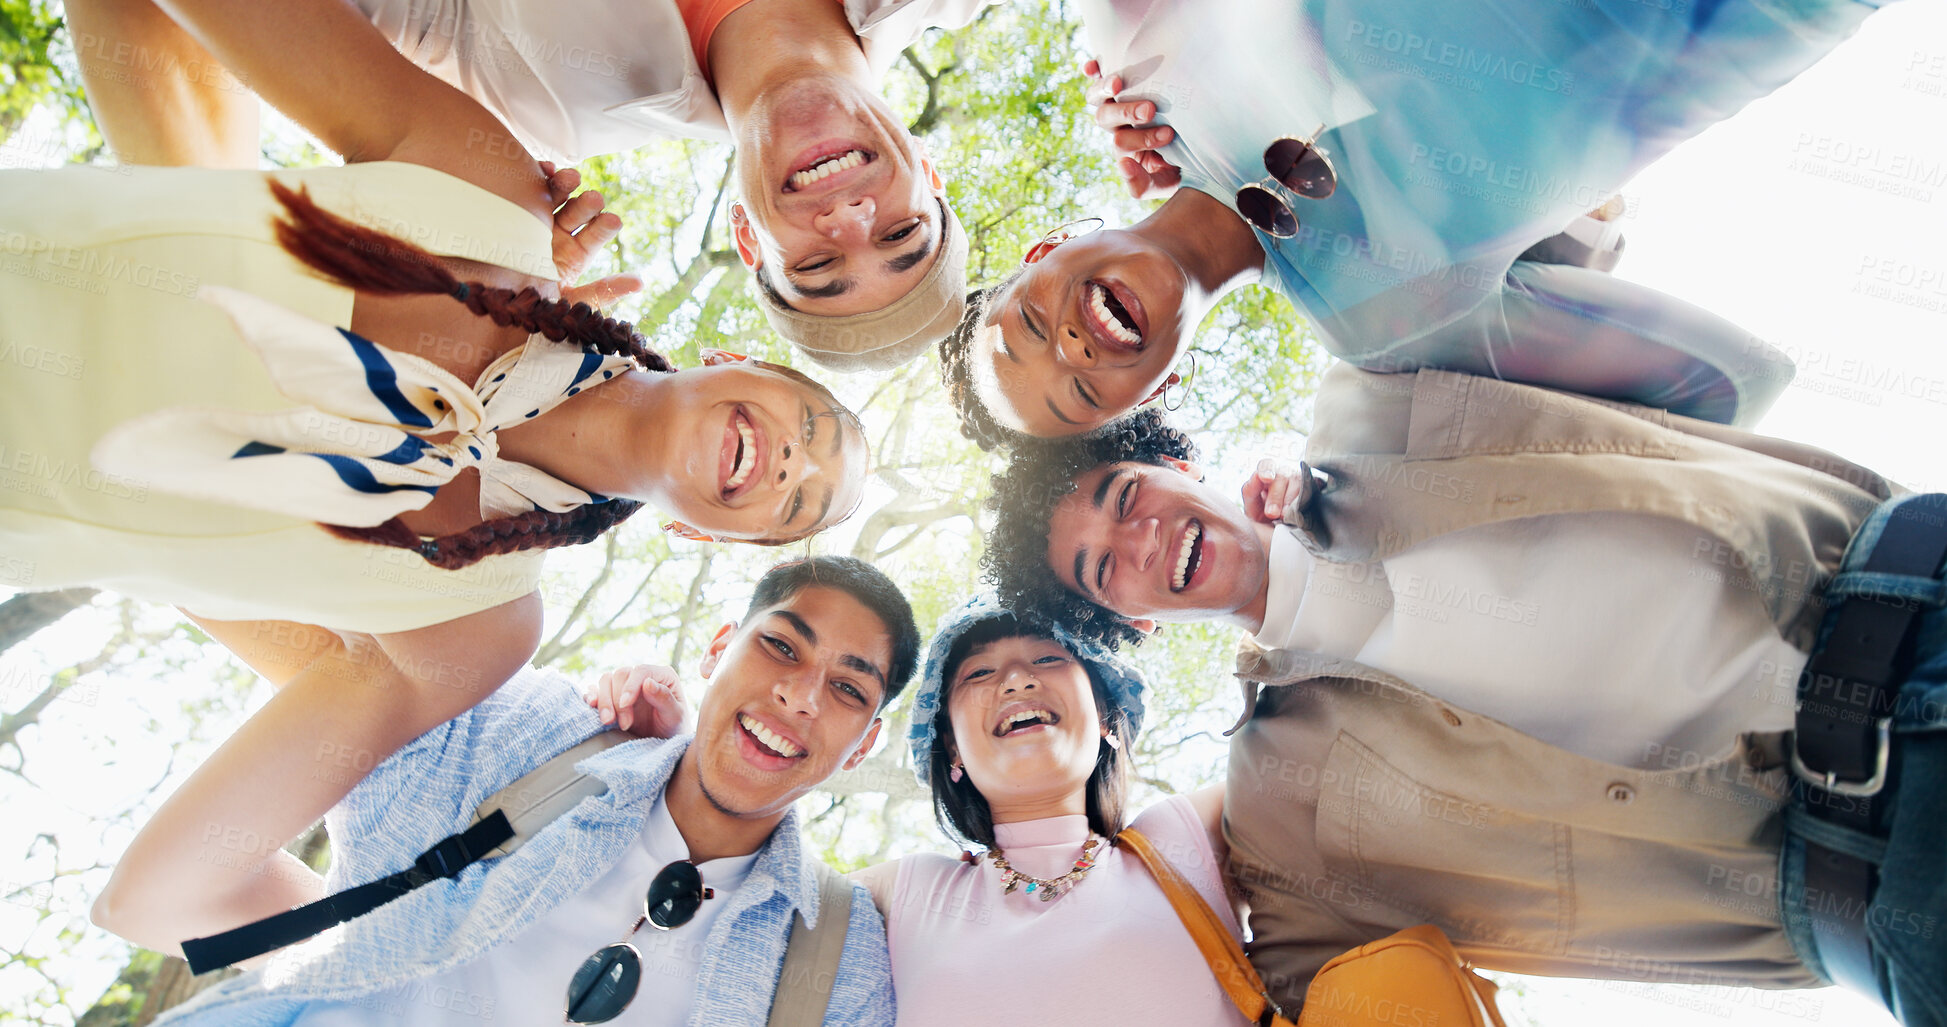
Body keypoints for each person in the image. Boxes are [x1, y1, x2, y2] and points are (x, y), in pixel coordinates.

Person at [4, 0, 867, 893]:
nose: (794, 462)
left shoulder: (477, 624)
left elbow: (166, 891)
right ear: (739, 360)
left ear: (704, 537)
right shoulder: (483, 193)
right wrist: (218, 219)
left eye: (800, 499)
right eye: (812, 427)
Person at [981, 367, 1946, 1024]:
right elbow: (1306, 996)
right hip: (1878, 868)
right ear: (1135, 619)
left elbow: (1679, 352)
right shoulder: (1277, 809)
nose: (1141, 540)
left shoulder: (1375, 396)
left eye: (1123, 497)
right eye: (1103, 570)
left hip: (1911, 592)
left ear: (1171, 462)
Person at [937, 0, 1897, 446]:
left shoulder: (1132, 42)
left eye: (1027, 326)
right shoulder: (1389, 328)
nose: (1068, 345)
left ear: (1044, 246)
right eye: (1078, 394)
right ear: (1152, 391)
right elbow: (1726, 383)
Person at [93, 555, 919, 1026]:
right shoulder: (539, 736)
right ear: (716, 648)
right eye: (780, 646)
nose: (802, 697)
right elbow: (319, 659)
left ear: (863, 746)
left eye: (849, 690)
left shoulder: (837, 964)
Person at [66, 0, 986, 370]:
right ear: (930, 175)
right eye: (900, 234)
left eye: (819, 264)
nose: (848, 216)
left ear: (749, 238)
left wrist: (457, 216)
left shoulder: (548, 99)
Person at [840, 596, 1249, 1025]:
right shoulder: (905, 893)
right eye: (980, 671)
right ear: (952, 746)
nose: (1017, 680)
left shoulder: (1189, 839)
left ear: (1105, 714)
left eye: (1049, 657)